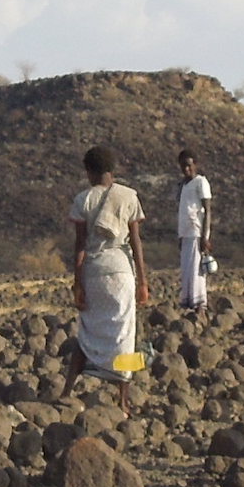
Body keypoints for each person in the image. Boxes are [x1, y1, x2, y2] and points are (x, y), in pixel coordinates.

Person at [67, 145, 150, 415]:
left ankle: (67, 390)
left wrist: (77, 283)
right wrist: (143, 281)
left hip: (95, 272)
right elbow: (136, 241)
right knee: (125, 336)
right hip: (123, 273)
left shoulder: (83, 200)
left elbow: (80, 245)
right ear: (111, 170)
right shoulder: (129, 196)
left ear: (89, 172)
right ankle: (123, 401)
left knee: (87, 331)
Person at [175, 149, 215, 312]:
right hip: (185, 232)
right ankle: (187, 301)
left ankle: (199, 303)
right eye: (183, 166)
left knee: (196, 269)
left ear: (195, 165)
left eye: (189, 165)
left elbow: (207, 210)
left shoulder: (201, 182)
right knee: (186, 268)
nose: (186, 169)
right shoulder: (183, 185)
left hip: (196, 232)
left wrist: (205, 237)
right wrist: (180, 234)